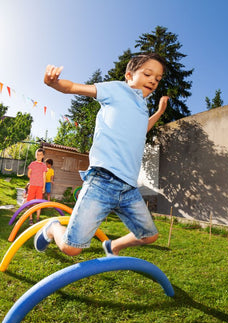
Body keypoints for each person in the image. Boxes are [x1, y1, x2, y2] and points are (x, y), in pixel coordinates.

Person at [34, 53, 169, 257]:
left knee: (149, 236)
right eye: (148, 74)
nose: (153, 80)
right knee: (72, 248)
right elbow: (74, 88)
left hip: (129, 188)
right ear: (129, 75)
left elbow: (142, 131)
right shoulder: (116, 90)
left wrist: (158, 113)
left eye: (158, 79)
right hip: (102, 181)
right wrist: (54, 83)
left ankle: (112, 247)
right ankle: (54, 228)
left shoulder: (142, 107)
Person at [27, 148, 47, 224]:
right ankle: (31, 218)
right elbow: (29, 174)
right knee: (30, 202)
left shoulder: (44, 165)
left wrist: (44, 187)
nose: (38, 156)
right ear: (36, 155)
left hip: (40, 187)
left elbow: (44, 177)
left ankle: (38, 218)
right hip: (32, 186)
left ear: (43, 156)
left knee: (39, 202)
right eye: (37, 155)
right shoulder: (32, 164)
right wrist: (33, 180)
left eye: (40, 155)